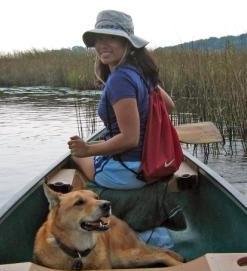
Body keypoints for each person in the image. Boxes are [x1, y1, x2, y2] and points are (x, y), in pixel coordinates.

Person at [68, 10, 186, 249]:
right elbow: (169, 106)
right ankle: (149, 229)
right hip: (148, 163)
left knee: (74, 157)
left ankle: (139, 235)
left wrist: (87, 149)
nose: (102, 44)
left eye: (110, 38)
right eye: (98, 39)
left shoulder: (120, 79)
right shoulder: (142, 73)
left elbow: (130, 139)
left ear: (127, 43)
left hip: (130, 169)